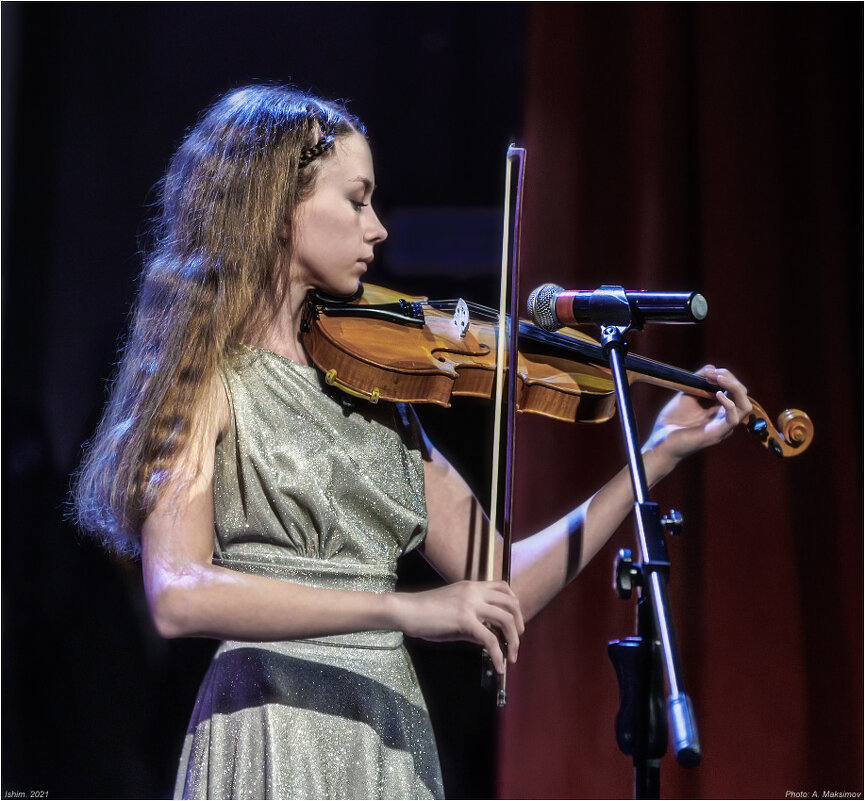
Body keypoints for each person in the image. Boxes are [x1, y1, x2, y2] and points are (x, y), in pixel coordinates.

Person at [72, 84, 752, 800]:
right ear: (275, 206)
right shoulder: (205, 378)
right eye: (355, 199)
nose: (378, 230)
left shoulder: (379, 388)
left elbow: (501, 582)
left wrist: (652, 456)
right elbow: (179, 594)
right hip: (271, 722)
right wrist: (405, 608)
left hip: (384, 727)